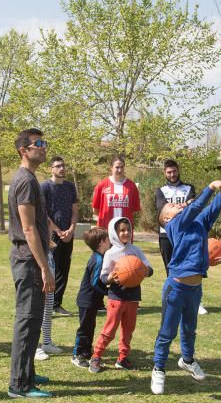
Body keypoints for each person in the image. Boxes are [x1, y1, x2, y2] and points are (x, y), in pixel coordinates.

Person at [151, 178, 221, 394]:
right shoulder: (175, 225)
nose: (178, 204)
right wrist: (210, 187)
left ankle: (187, 360)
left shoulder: (196, 223)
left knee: (189, 329)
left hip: (194, 289)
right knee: (167, 332)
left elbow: (211, 210)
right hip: (175, 288)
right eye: (173, 205)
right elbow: (196, 206)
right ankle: (159, 369)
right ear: (166, 218)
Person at [6, 128, 55, 399]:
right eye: (38, 144)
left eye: (44, 143)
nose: (44, 147)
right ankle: (19, 384)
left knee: (34, 319)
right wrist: (45, 267)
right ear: (23, 150)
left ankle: (28, 371)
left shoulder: (30, 178)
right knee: (27, 320)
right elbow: (27, 229)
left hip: (31, 258)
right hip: (28, 260)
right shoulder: (24, 180)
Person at [89, 216, 153, 372]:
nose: (126, 233)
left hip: (133, 297)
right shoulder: (111, 253)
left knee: (128, 330)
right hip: (116, 297)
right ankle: (96, 356)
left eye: (128, 230)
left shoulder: (135, 250)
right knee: (110, 330)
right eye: (122, 230)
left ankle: (123, 358)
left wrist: (145, 271)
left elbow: (149, 268)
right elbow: (103, 277)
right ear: (114, 233)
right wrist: (110, 277)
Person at [154, 159, 208, 316]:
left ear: (178, 170)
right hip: (166, 234)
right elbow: (161, 208)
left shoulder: (188, 187)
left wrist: (183, 205)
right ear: (165, 173)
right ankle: (172, 300)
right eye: (169, 172)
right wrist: (185, 205)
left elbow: (196, 203)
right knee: (170, 268)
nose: (172, 174)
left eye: (174, 171)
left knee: (191, 267)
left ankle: (196, 302)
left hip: (186, 234)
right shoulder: (161, 190)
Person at [40, 156, 78, 317]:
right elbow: (43, 213)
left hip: (68, 234)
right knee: (50, 269)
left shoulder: (70, 187)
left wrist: (71, 229)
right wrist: (57, 231)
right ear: (51, 169)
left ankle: (57, 304)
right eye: (58, 166)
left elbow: (75, 209)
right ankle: (44, 305)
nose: (62, 168)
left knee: (64, 269)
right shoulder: (45, 187)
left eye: (63, 165)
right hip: (52, 235)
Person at [70, 226, 110, 369]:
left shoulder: (100, 257)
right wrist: (108, 292)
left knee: (90, 326)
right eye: (107, 239)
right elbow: (94, 283)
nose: (109, 241)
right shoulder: (98, 259)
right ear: (101, 242)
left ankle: (86, 353)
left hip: (92, 301)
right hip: (87, 300)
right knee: (85, 328)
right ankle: (77, 354)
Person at [91, 156, 140, 229]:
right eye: (117, 167)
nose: (119, 170)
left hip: (125, 231)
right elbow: (95, 209)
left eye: (122, 167)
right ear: (111, 168)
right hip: (105, 229)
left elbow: (135, 210)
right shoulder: (102, 185)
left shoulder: (131, 186)